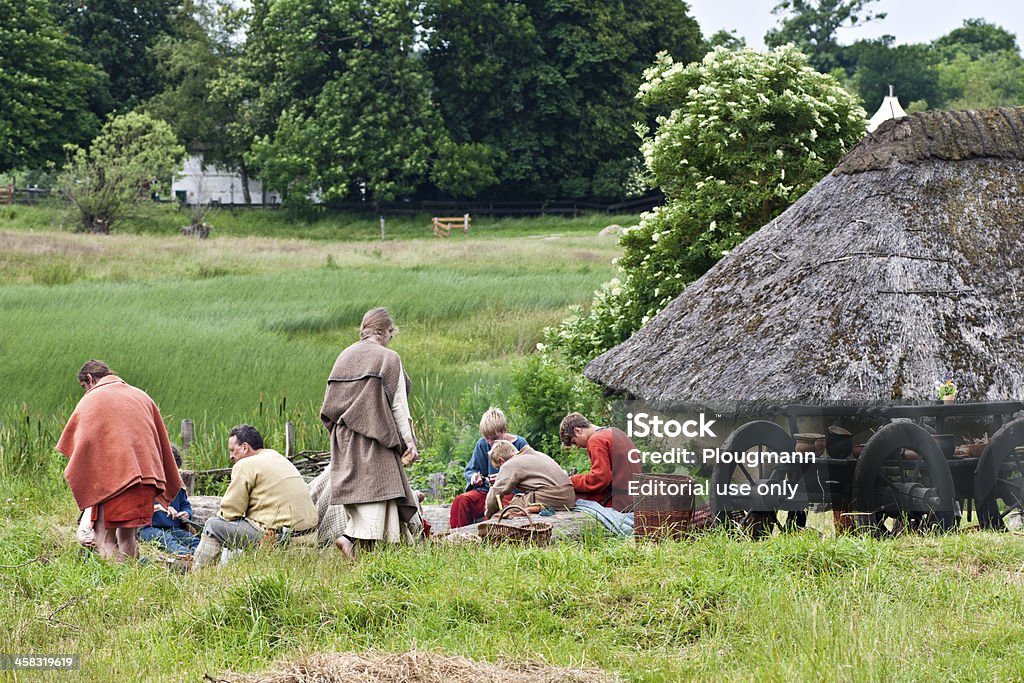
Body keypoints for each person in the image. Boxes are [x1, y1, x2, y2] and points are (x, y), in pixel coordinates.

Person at [320, 307, 422, 560]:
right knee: (380, 492)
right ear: (383, 330)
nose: (390, 339)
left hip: (344, 439)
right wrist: (409, 442)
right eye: (390, 333)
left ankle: (362, 552)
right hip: (376, 438)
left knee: (364, 497)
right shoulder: (388, 358)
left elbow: (328, 407)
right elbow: (398, 404)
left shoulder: (343, 357)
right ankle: (349, 539)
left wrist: (342, 432)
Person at [57, 360, 183, 562]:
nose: (85, 392)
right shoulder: (141, 396)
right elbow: (160, 440)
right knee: (127, 537)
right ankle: (132, 584)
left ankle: (118, 586)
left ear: (89, 379)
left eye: (84, 387)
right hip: (148, 478)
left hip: (118, 478)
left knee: (104, 538)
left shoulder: (93, 398)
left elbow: (82, 444)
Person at [192, 425, 318, 569]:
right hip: (308, 537)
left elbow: (230, 512)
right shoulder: (277, 457)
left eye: (233, 450)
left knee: (212, 526)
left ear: (245, 447)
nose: (231, 456)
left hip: (278, 538)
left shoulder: (245, 464)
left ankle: (198, 574)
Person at [449, 407, 529, 528]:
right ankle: (457, 536)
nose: (490, 442)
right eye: (487, 438)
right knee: (461, 501)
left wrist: (505, 478)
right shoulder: (482, 444)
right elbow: (471, 470)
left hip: (509, 494)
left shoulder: (520, 444)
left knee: (498, 506)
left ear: (504, 430)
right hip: (486, 491)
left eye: (494, 438)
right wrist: (474, 477)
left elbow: (528, 473)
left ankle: (488, 537)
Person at [559, 412, 642, 512]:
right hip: (634, 497)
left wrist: (571, 481)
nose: (577, 447)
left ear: (577, 431)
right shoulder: (616, 431)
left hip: (619, 502)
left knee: (570, 498)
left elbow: (599, 479)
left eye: (574, 441)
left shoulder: (596, 440)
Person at [484, 441, 576, 518]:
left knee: (501, 515)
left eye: (499, 467)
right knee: (518, 498)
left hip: (550, 496)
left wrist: (489, 513)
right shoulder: (536, 454)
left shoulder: (509, 464)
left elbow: (495, 494)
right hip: (569, 496)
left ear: (501, 461)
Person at [138, 446, 200, 557]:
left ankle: (202, 557)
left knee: (193, 540)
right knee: (168, 541)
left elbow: (185, 505)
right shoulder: (148, 483)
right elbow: (139, 509)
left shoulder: (178, 486)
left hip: (173, 528)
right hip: (149, 529)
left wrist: (186, 513)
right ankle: (187, 557)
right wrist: (161, 507)